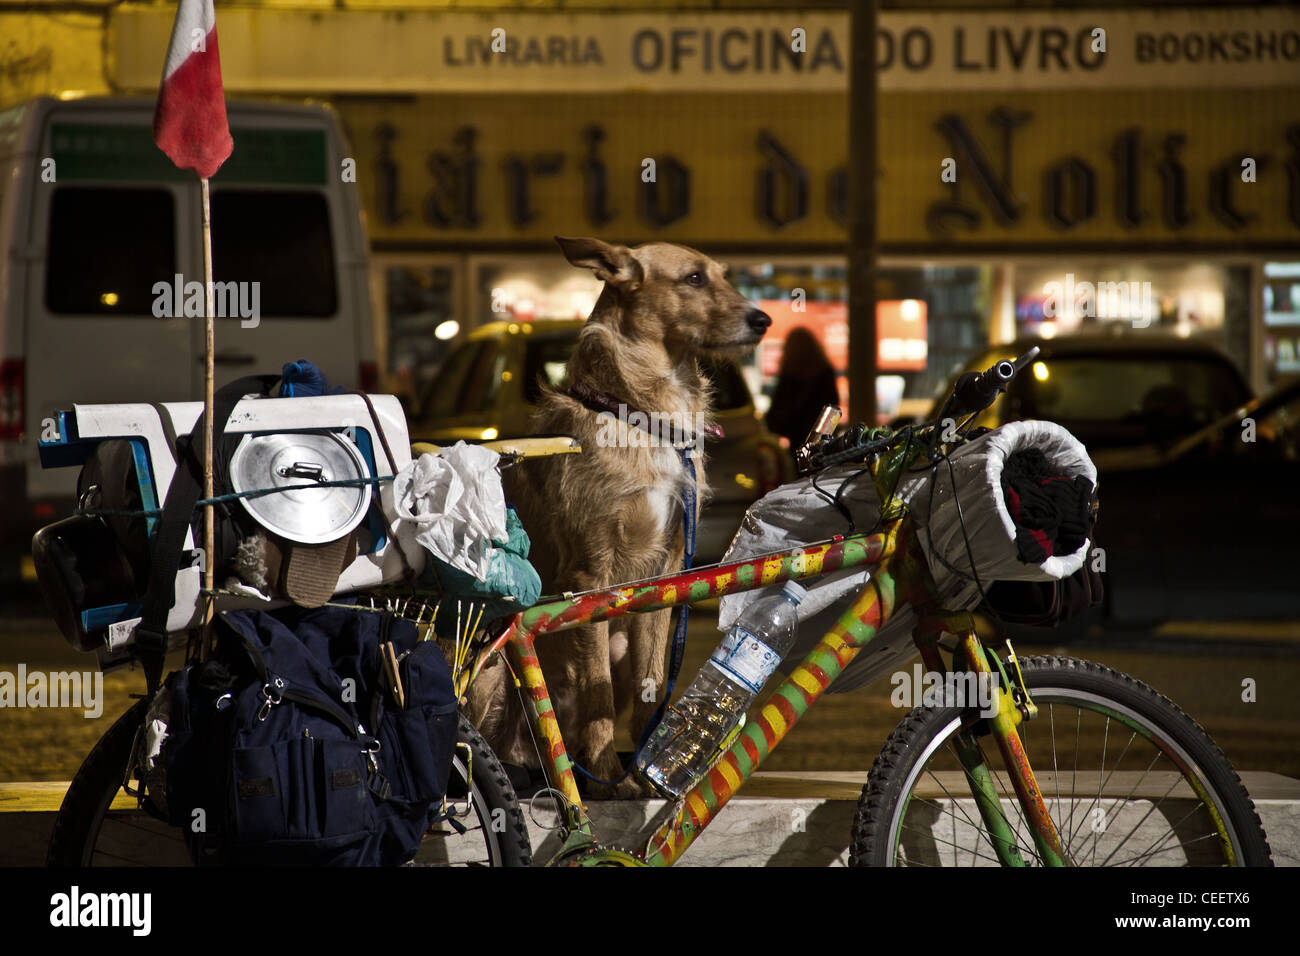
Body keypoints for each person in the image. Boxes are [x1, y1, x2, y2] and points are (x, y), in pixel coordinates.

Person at [765, 326, 841, 447]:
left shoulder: (789, 375)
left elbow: (778, 408)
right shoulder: (824, 372)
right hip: (824, 436)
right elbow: (833, 404)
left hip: (796, 435)